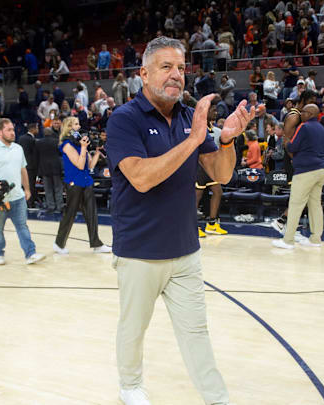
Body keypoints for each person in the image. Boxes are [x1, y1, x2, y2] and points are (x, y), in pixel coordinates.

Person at [105, 36, 254, 405]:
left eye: (181, 68)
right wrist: (193, 141)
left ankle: (216, 397)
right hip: (139, 251)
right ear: (143, 73)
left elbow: (220, 174)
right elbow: (140, 177)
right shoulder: (124, 119)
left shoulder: (191, 117)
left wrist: (227, 140)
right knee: (134, 328)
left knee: (196, 332)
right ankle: (130, 386)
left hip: (185, 249)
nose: (176, 75)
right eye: (166, 67)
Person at [0, 119, 45, 266]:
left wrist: (27, 189)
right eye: (9, 130)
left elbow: (23, 170)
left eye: (13, 129)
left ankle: (30, 253)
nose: (13, 132)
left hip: (17, 197)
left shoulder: (18, 148)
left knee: (22, 226)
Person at [272, 104, 324, 249]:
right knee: (315, 205)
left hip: (306, 171)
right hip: (322, 169)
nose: (300, 114)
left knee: (296, 204)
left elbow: (293, 147)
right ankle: (315, 239)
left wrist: (286, 142)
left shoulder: (304, 127)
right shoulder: (323, 129)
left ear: (309, 114)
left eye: (303, 112)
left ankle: (288, 240)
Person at [54, 117, 110, 255]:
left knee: (91, 213)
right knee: (70, 213)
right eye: (76, 124)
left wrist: (96, 152)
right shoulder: (67, 145)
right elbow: (79, 164)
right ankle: (59, 244)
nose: (79, 126)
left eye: (79, 123)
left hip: (86, 181)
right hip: (74, 183)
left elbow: (90, 165)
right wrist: (84, 148)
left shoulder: (80, 145)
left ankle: (96, 244)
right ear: (69, 127)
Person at [196, 104, 227, 237]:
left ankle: (212, 224)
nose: (216, 112)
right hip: (199, 165)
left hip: (211, 166)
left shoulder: (213, 129)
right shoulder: (197, 126)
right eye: (213, 110)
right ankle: (192, 227)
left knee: (218, 192)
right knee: (197, 196)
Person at [34, 121, 64, 215]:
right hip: (56, 168)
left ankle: (51, 206)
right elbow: (61, 154)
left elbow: (37, 156)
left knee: (48, 189)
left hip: (44, 168)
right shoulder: (56, 142)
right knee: (58, 188)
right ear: (51, 133)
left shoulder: (39, 143)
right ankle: (60, 206)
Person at [17, 123, 39, 208]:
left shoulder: (21, 138)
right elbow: (35, 154)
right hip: (31, 166)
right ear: (33, 129)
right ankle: (30, 203)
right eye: (37, 128)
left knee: (23, 185)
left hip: (22, 165)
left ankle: (23, 203)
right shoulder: (32, 140)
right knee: (30, 185)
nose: (38, 130)